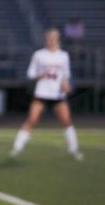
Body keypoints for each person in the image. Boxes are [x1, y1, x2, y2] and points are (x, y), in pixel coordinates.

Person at [10, 28, 82, 160]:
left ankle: (74, 150)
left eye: (53, 38)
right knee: (32, 120)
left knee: (66, 121)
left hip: (58, 95)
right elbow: (30, 73)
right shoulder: (39, 55)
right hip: (42, 93)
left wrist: (66, 84)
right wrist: (40, 75)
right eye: (49, 38)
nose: (51, 40)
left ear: (57, 39)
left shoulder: (63, 55)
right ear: (46, 40)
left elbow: (66, 74)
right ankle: (17, 148)